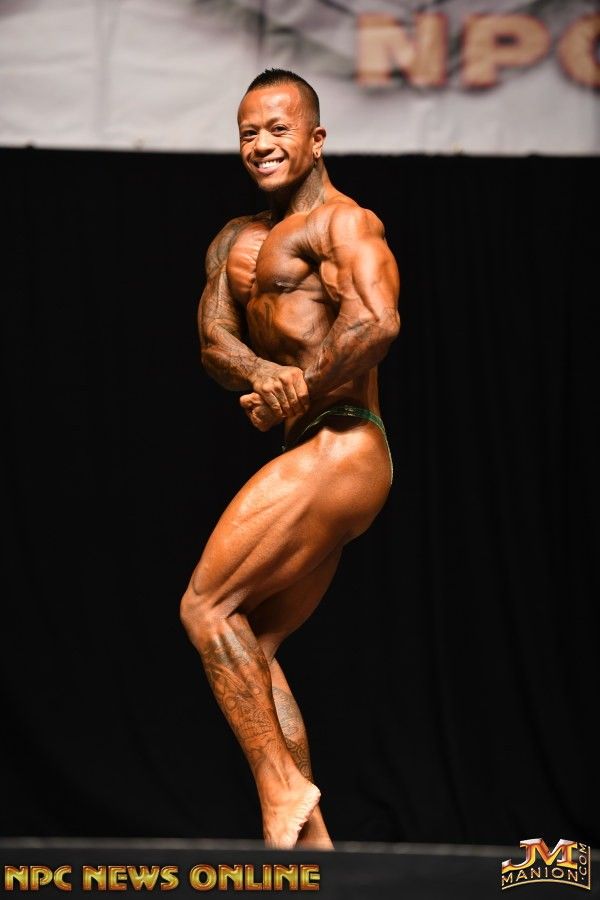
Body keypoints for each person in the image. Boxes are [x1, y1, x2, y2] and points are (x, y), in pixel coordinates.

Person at [180, 68, 400, 850]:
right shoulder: (234, 240)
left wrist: (298, 384)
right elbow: (214, 342)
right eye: (249, 132)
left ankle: (282, 790)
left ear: (316, 138)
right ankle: (314, 853)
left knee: (205, 608)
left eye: (279, 129)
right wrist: (259, 371)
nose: (262, 144)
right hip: (313, 449)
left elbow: (377, 323)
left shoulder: (344, 223)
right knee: (252, 643)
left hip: (344, 440)